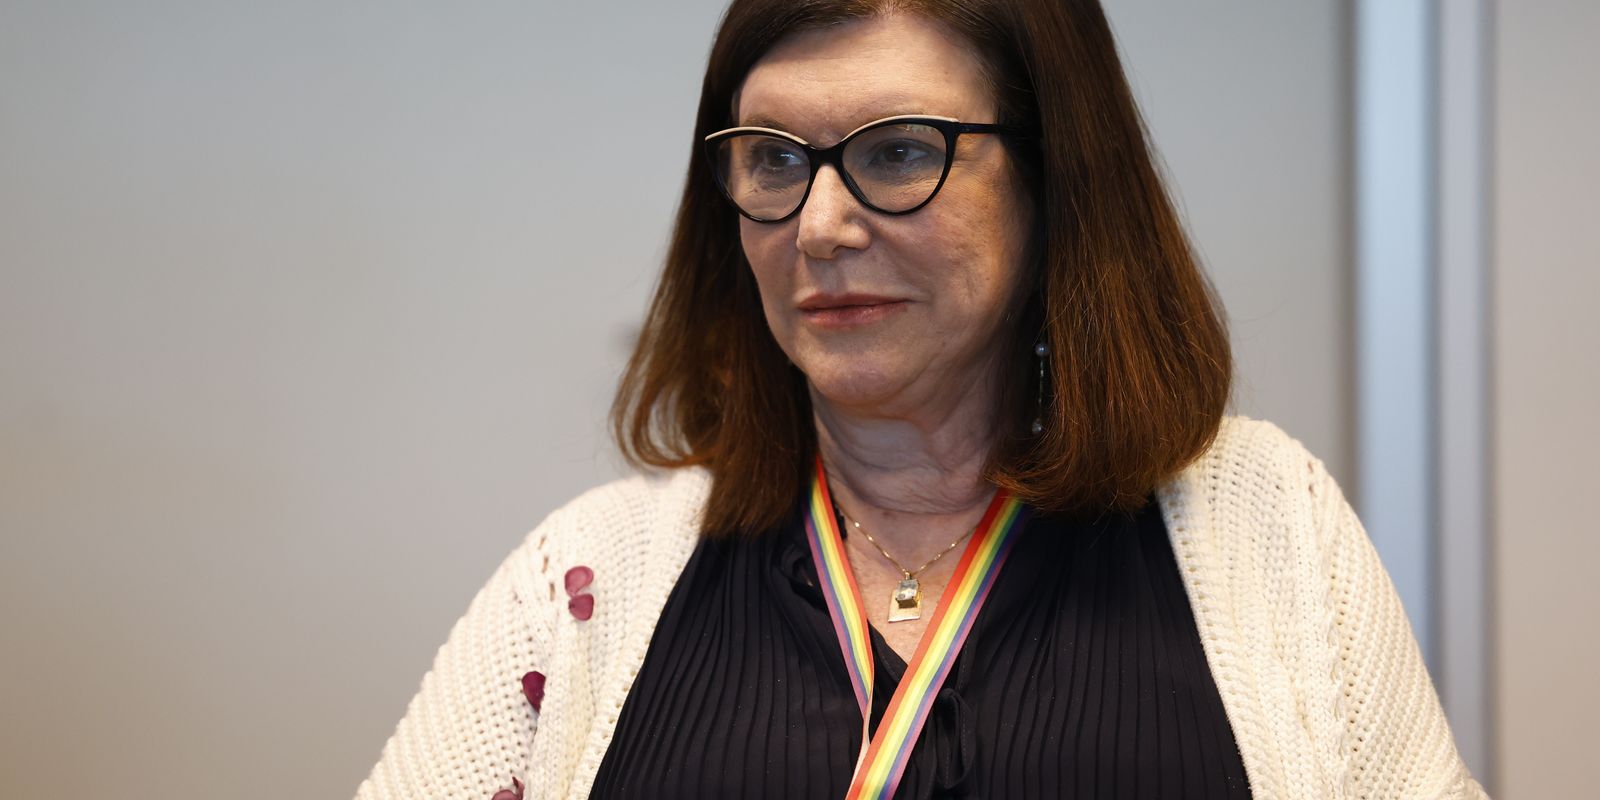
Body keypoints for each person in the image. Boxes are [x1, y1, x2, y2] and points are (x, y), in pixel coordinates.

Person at [355, 1, 1487, 798]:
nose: (819, 226)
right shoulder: (588, 578)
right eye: (772, 159)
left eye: (898, 153)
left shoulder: (1268, 525)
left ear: (1054, 179)